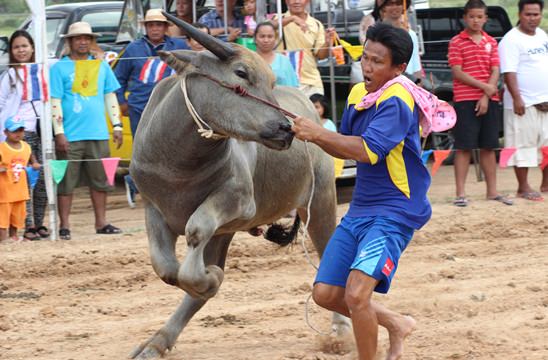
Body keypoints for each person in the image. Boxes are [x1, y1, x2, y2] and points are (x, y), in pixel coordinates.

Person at [292, 23, 431, 359]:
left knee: (356, 296)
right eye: (365, 58)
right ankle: (396, 323)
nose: (367, 66)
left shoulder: (398, 98)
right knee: (325, 294)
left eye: (377, 61)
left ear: (399, 68)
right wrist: (313, 136)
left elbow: (368, 150)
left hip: (396, 211)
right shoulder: (358, 94)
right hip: (360, 210)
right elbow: (344, 148)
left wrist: (317, 133)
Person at [50, 21, 124, 240]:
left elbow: (110, 96)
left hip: (98, 132)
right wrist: (59, 131)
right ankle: (64, 225)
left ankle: (101, 222)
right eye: (77, 38)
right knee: (65, 181)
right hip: (70, 134)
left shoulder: (101, 66)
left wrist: (117, 125)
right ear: (70, 42)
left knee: (100, 180)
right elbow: (55, 101)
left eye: (86, 38)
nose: (82, 42)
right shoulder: (59, 68)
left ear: (92, 41)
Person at [114, 9, 189, 208]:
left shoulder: (179, 46)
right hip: (140, 106)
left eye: (159, 24)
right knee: (145, 150)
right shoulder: (132, 49)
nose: (155, 28)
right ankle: (134, 182)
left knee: (173, 149)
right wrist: (122, 101)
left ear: (166, 27)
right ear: (145, 27)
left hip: (172, 106)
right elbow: (118, 78)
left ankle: (168, 192)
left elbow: (189, 73)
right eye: (151, 25)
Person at [448, 0, 512, 207]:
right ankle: (460, 193)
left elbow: (495, 70)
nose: (476, 20)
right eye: (471, 16)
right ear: (465, 18)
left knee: (489, 146)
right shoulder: (457, 42)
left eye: (480, 17)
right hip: (465, 99)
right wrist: (483, 87)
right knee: (464, 147)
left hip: (490, 99)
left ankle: (492, 191)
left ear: (485, 19)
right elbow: (457, 72)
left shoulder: (492, 42)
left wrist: (486, 93)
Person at [0, 30, 50, 240]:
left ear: (32, 48)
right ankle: (27, 225)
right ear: (11, 51)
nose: (21, 50)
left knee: (42, 182)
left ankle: (39, 222)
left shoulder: (43, 70)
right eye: (17, 47)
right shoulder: (11, 75)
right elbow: (2, 103)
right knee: (23, 181)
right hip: (21, 133)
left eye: (25, 46)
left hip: (43, 131)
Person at [499, 0, 548, 201]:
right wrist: (517, 98)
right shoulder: (510, 40)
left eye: (536, 14)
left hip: (545, 102)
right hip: (523, 105)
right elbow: (509, 72)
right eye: (528, 14)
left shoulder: (542, 36)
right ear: (519, 14)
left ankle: (546, 184)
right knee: (523, 146)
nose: (532, 18)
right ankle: (523, 187)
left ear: (541, 15)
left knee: (546, 146)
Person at [273, 0, 336, 97]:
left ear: (308, 1)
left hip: (312, 81)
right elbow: (266, 27)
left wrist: (327, 42)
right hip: (286, 80)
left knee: (317, 111)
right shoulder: (278, 19)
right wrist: (292, 18)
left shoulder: (316, 24)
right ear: (286, 1)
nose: (296, 1)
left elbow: (321, 55)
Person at [352, 0, 423, 86]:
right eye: (390, 4)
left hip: (406, 83)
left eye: (398, 3)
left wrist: (418, 84)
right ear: (383, 6)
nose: (395, 7)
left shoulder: (410, 33)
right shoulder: (373, 27)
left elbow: (416, 63)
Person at [0, 117, 40, 242]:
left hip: (20, 189)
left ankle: (14, 236)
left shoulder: (26, 146)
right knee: (3, 216)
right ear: (6, 132)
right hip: (5, 190)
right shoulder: (2, 147)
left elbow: (32, 160)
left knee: (17, 216)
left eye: (21, 130)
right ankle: (3, 238)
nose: (18, 134)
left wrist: (35, 164)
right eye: (14, 131)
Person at [254, 22, 299, 87]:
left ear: (275, 39)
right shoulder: (248, 60)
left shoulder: (284, 61)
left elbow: (293, 88)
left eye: (270, 36)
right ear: (255, 39)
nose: (266, 40)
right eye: (262, 36)